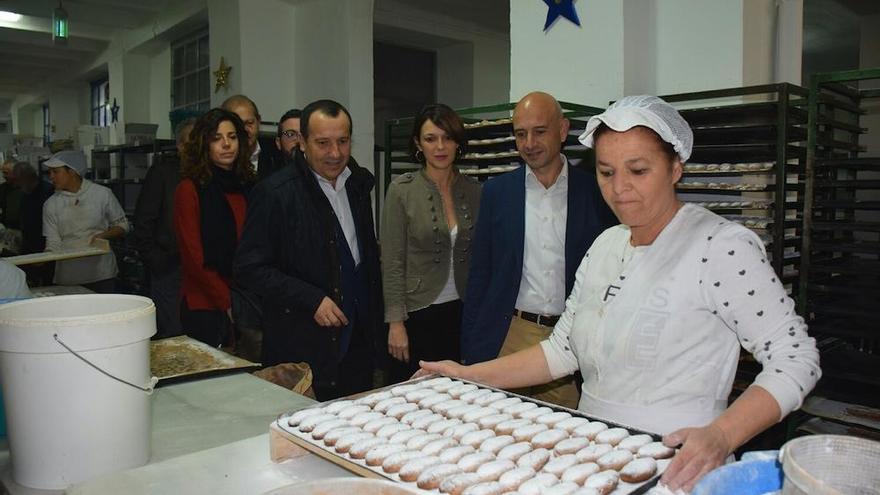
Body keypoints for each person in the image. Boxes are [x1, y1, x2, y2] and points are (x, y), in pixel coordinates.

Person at [419, 95, 821, 492]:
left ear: (676, 167)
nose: (620, 188)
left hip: (679, 464)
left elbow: (797, 358)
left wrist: (722, 435)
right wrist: (469, 375)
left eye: (639, 170)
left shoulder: (719, 246)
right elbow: (563, 350)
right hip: (595, 455)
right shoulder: (606, 246)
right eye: (607, 172)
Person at [460, 91, 617, 409]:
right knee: (498, 429)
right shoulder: (497, 193)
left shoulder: (596, 191)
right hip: (509, 333)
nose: (529, 143)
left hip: (571, 336)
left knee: (564, 436)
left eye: (539, 131)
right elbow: (481, 273)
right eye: (520, 134)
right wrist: (472, 345)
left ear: (562, 130)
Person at [234, 99, 383, 401]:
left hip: (358, 346)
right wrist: (311, 298)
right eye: (323, 143)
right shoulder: (275, 194)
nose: (335, 153)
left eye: (342, 141)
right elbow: (249, 269)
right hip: (304, 349)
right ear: (302, 142)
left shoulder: (358, 186)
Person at [381, 104, 482, 384]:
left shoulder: (474, 191)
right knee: (411, 400)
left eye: (447, 138)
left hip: (461, 312)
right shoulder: (402, 190)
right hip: (416, 315)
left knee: (457, 397)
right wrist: (395, 323)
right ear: (418, 143)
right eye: (430, 138)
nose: (440, 146)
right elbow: (392, 262)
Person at [174, 109, 254, 347]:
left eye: (232, 136)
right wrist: (227, 302)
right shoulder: (189, 190)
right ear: (204, 144)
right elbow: (194, 258)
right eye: (217, 138)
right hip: (205, 304)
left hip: (247, 298)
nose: (227, 144)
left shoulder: (248, 185)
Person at [133, 118, 194, 339]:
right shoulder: (162, 174)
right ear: (180, 145)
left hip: (199, 272)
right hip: (170, 269)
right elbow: (143, 223)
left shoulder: (209, 177)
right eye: (191, 142)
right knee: (174, 334)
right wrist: (157, 261)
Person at [42, 150, 129, 293]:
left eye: (56, 172)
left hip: (101, 273)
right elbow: (53, 241)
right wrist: (45, 256)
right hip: (69, 276)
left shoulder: (102, 194)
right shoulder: (51, 204)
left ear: (72, 172)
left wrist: (101, 236)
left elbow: (123, 225)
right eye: (50, 172)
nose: (51, 176)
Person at [221, 94, 284, 181]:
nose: (245, 129)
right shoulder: (222, 159)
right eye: (238, 124)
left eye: (250, 123)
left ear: (258, 121)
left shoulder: (276, 152)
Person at [13, 161, 54, 255]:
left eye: (18, 180)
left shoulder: (48, 192)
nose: (16, 184)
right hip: (28, 245)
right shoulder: (25, 194)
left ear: (27, 178)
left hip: (45, 245)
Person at [0, 159, 22, 231]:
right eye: (3, 173)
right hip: (9, 230)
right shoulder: (3, 188)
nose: (4, 176)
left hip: (27, 231)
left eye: (6, 173)